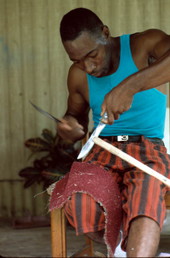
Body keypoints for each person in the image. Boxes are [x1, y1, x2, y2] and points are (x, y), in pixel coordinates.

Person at [56, 7, 170, 257]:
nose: (87, 67)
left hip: (147, 148)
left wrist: (129, 87)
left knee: (146, 195)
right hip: (101, 151)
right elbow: (75, 117)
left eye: (92, 55)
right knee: (79, 201)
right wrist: (70, 127)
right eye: (77, 61)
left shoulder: (144, 45)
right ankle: (120, 247)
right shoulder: (77, 76)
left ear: (105, 33)